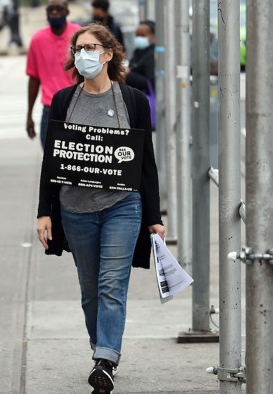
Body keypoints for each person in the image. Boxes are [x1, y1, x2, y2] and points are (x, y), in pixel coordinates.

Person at [35, 24, 164, 393]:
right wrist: (45, 210)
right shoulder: (63, 101)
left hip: (123, 207)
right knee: (90, 289)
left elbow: (146, 163)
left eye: (90, 48)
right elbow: (52, 162)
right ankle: (100, 346)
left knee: (111, 285)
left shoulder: (133, 100)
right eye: (78, 49)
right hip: (75, 210)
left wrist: (154, 218)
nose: (83, 55)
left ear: (108, 54)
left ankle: (105, 359)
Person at [26, 0, 82, 148]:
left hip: (79, 107)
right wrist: (29, 114)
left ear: (67, 12)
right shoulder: (37, 39)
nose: (54, 13)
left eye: (59, 9)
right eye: (50, 9)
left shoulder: (80, 35)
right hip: (51, 110)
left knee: (78, 163)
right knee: (52, 163)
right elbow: (33, 78)